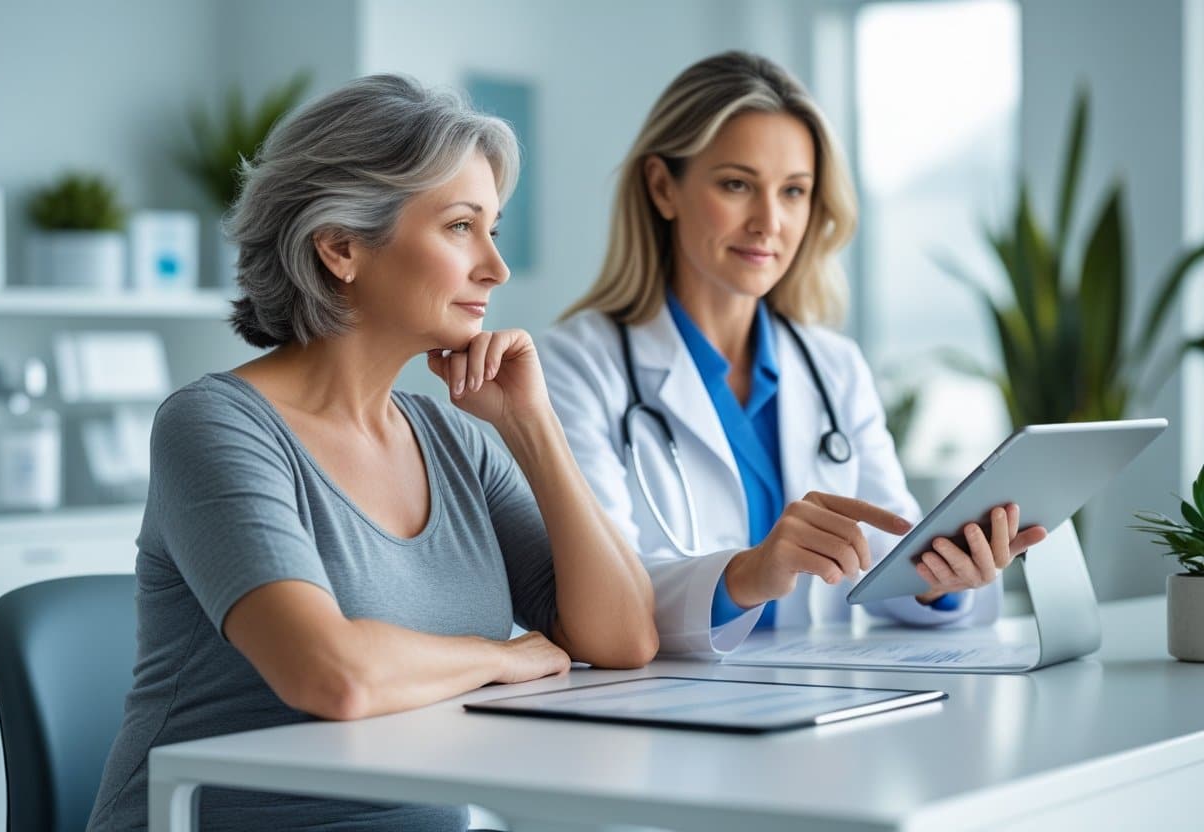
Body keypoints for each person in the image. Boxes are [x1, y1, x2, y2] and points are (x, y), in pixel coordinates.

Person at [89, 74, 657, 831]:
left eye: (493, 228)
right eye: (461, 226)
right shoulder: (214, 426)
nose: (495, 266)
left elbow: (623, 638)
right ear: (341, 246)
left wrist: (532, 425)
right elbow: (332, 676)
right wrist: (500, 655)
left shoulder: (452, 438)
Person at [539, 51, 1046, 657]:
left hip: (813, 702)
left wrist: (944, 580)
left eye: (795, 192)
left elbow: (891, 562)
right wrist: (748, 574)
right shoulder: (575, 366)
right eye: (736, 185)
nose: (769, 222)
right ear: (661, 187)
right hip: (654, 714)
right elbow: (601, 601)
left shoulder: (833, 368)